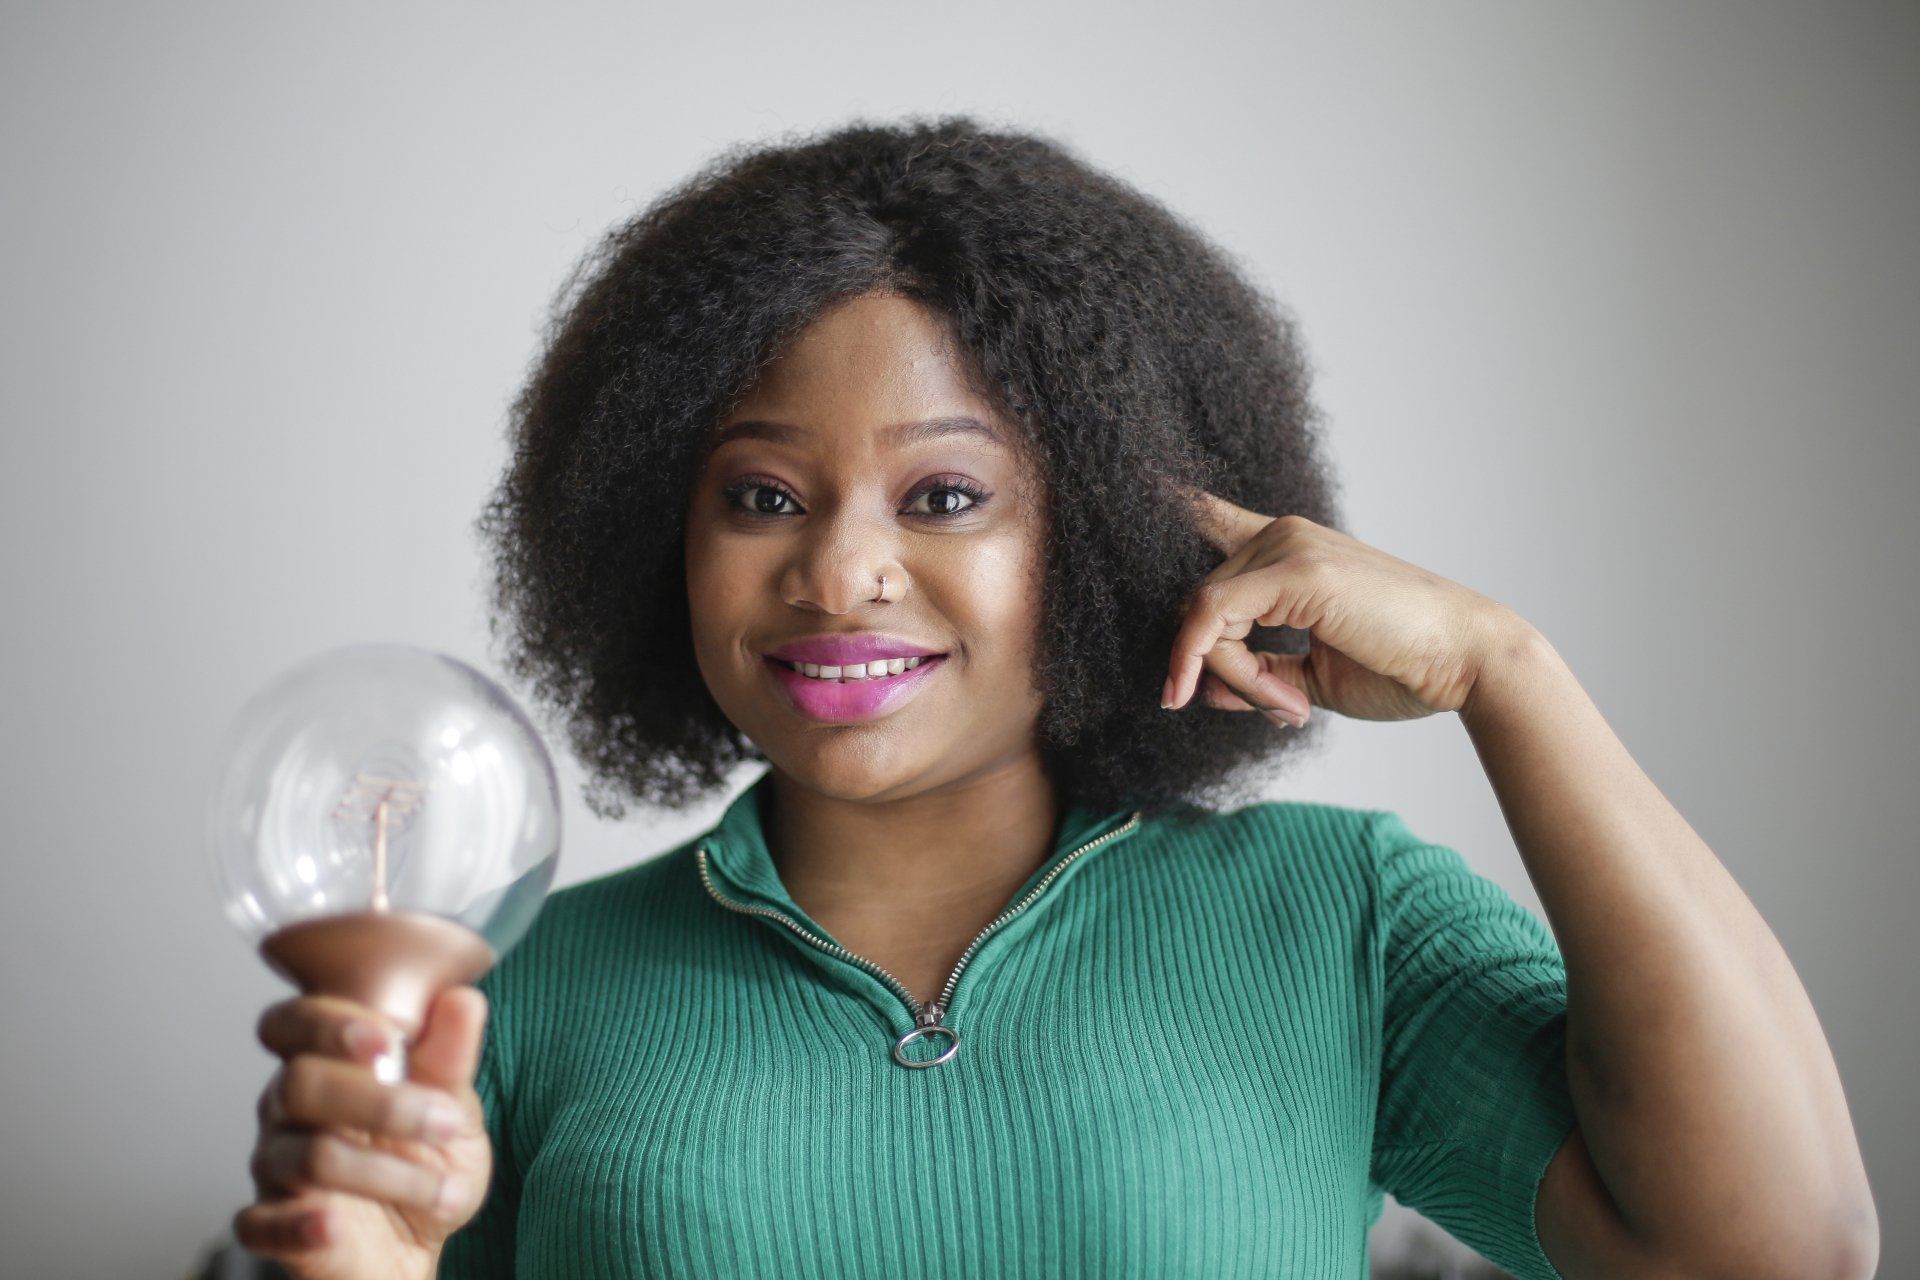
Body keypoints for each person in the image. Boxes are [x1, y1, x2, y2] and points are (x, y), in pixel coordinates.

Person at [233, 117, 1878, 1280]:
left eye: (943, 498)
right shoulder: (522, 995)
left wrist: (1507, 672)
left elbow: (1773, 1250)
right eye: (761, 496)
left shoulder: (1340, 924)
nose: (837, 574)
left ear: (1096, 533)